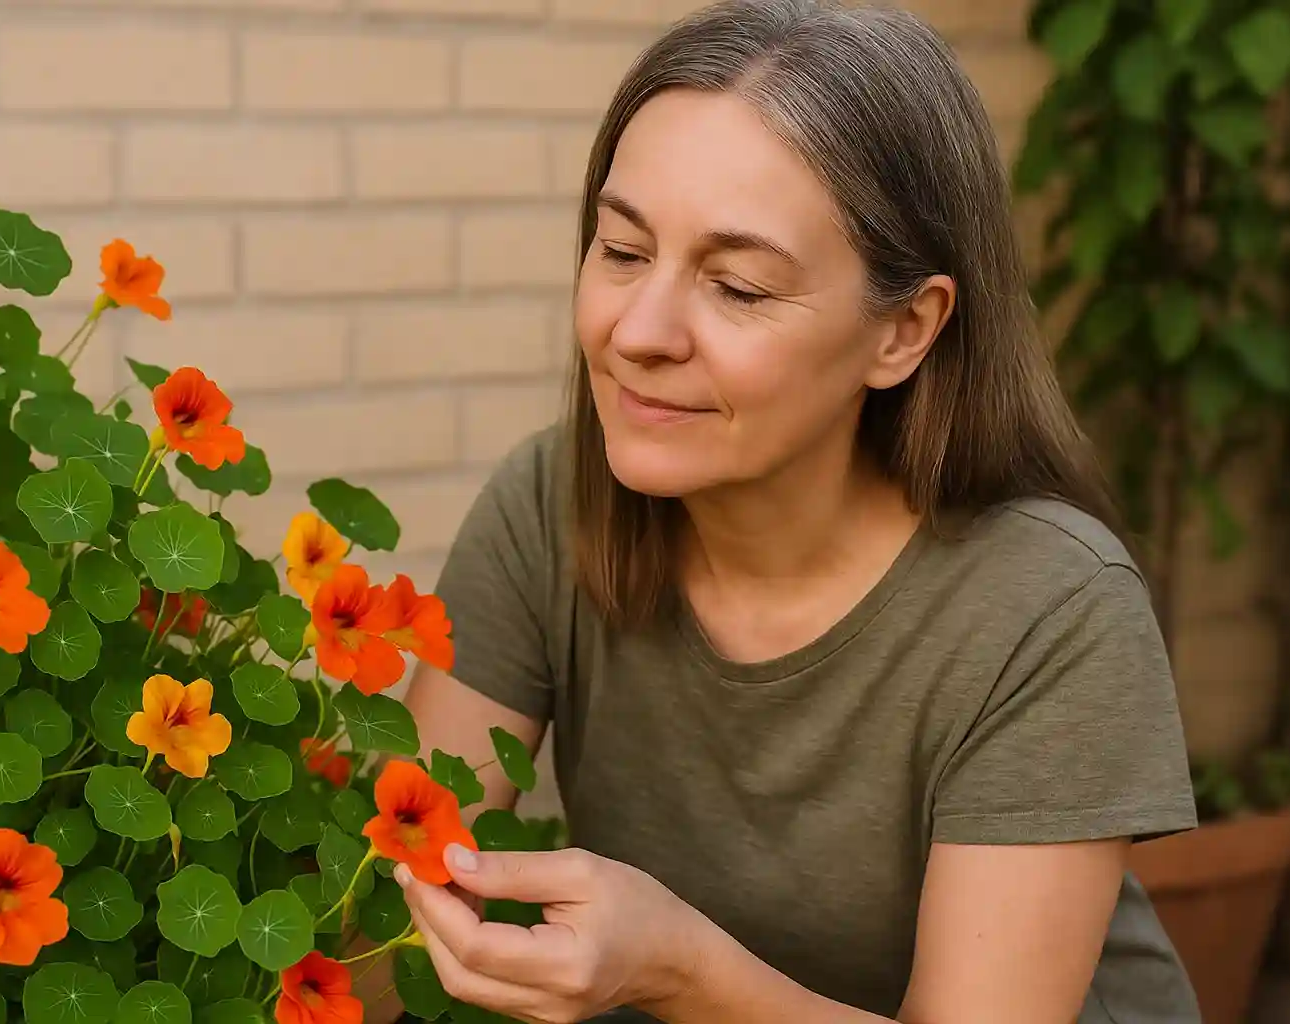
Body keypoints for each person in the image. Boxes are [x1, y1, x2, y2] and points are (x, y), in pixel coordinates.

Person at [371, 1, 1203, 1021]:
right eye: (623, 252)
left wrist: (677, 968)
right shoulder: (548, 506)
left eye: (739, 287)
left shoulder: (1051, 608)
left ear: (904, 329)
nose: (640, 330)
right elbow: (386, 900)